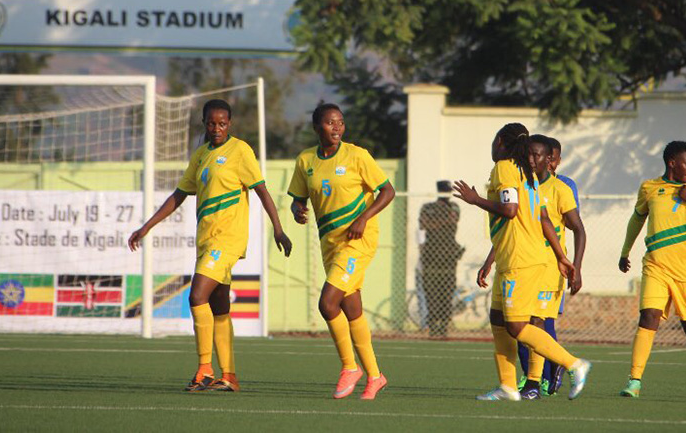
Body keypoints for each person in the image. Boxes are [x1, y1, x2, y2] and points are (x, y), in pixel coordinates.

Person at [128, 99, 293, 393]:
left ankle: (205, 369)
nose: (217, 128)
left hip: (227, 239)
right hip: (205, 240)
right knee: (219, 306)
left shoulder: (240, 151)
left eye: (222, 123)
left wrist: (278, 230)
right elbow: (179, 195)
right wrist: (146, 226)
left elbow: (262, 191)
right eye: (211, 123)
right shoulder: (201, 154)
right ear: (204, 123)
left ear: (230, 124)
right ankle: (229, 375)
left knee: (196, 295)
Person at [453, 123, 591, 402]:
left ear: (501, 142)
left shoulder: (505, 167)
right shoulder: (528, 175)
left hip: (521, 259)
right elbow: (542, 218)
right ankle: (507, 386)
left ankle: (574, 364)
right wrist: (563, 257)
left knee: (518, 326)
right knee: (498, 321)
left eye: (494, 140)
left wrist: (475, 199)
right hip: (511, 256)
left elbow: (510, 210)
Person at [287, 102, 395, 400]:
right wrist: (298, 209)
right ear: (316, 127)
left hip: (358, 240)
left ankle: (350, 367)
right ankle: (375, 376)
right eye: (330, 122)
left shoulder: (357, 155)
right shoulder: (306, 160)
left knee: (327, 303)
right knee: (351, 308)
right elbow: (299, 198)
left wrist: (363, 218)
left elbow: (388, 191)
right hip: (330, 244)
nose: (336, 127)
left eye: (340, 122)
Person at [618, 140, 686, 400]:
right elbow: (636, 221)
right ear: (672, 162)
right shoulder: (650, 188)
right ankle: (634, 381)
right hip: (656, 266)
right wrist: (625, 251)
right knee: (648, 317)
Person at [513, 134, 586, 399]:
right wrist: (490, 260)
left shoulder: (560, 189)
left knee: (537, 322)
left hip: (549, 267)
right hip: (523, 264)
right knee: (519, 325)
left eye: (538, 155)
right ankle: (550, 368)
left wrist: (575, 266)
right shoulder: (521, 186)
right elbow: (513, 227)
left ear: (550, 159)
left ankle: (536, 381)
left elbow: (579, 230)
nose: (532, 160)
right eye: (528, 154)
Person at [418, 180, 465, 338]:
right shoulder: (428, 207)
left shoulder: (454, 206)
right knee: (431, 294)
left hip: (448, 259)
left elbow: (453, 220)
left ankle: (444, 326)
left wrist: (434, 223)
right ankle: (432, 326)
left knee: (446, 293)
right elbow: (423, 225)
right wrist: (442, 222)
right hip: (430, 258)